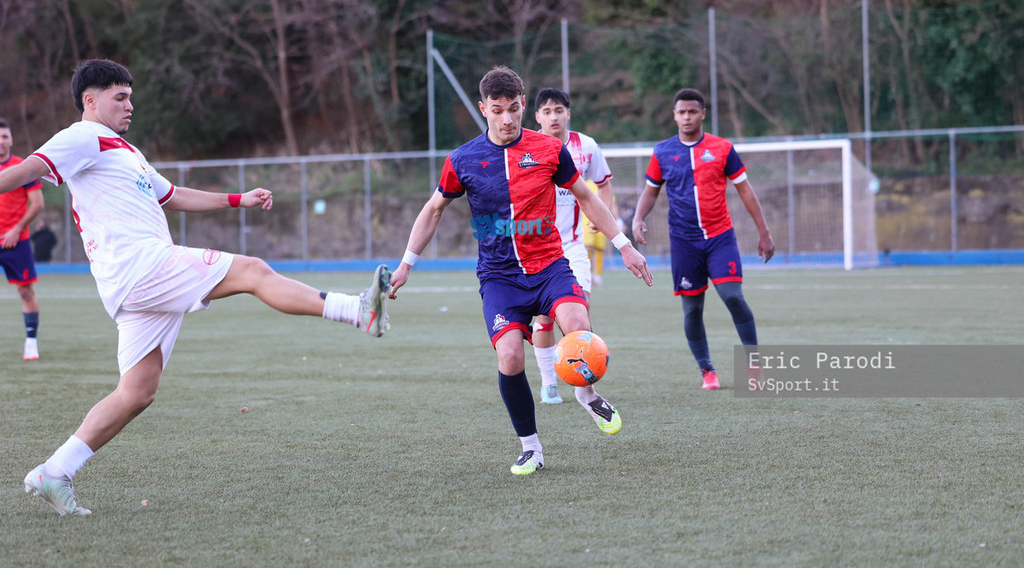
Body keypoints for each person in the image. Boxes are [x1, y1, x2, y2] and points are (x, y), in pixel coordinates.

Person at [12, 59, 392, 517]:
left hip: (133, 282)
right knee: (253, 271)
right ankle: (358, 310)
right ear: (90, 101)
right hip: (141, 267)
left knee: (136, 393)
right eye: (120, 97)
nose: (130, 105)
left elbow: (172, 196)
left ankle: (55, 471)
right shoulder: (82, 136)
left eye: (131, 97)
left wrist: (238, 199)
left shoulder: (125, 151)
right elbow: (26, 170)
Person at [388, 66, 652, 476]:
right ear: (483, 109)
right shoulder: (462, 159)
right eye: (497, 110)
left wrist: (624, 245)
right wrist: (407, 263)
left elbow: (587, 196)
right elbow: (434, 209)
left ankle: (586, 395)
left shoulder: (548, 149)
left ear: (524, 105)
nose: (507, 119)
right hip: (500, 278)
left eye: (513, 108)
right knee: (510, 357)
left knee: (579, 327)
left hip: (549, 266)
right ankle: (531, 448)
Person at [631, 88, 774, 390]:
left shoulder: (722, 148)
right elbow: (651, 191)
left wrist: (764, 232)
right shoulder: (662, 152)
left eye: (692, 111)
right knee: (692, 309)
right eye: (681, 112)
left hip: (720, 238)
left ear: (703, 114)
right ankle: (707, 370)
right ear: (674, 115)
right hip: (683, 243)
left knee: (733, 296)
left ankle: (753, 361)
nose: (687, 117)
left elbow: (745, 191)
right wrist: (638, 217)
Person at [530, 88, 621, 405]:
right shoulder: (527, 147)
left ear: (568, 113)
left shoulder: (587, 147)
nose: (553, 116)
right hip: (538, 250)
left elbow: (604, 183)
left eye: (559, 110)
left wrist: (601, 214)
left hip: (572, 246)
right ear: (537, 117)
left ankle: (584, 383)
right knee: (544, 318)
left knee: (579, 312)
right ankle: (548, 382)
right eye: (547, 111)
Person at [0, 119, 46, 361]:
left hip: (16, 241)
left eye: (4, 136)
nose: (1, 141)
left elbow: (38, 204)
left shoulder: (23, 167)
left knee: (26, 292)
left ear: (11, 140)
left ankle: (31, 342)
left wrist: (16, 229)